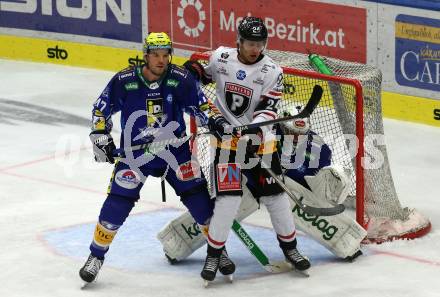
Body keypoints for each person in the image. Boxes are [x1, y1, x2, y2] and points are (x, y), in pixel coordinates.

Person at [79, 32, 236, 283]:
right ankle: (96, 255)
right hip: (135, 154)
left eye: (165, 55)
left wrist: (215, 120)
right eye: (156, 55)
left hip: (176, 151)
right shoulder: (125, 80)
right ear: (146, 56)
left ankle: (219, 252)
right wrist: (100, 134)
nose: (161, 60)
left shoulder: (181, 79)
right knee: (116, 204)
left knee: (200, 202)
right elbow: (101, 108)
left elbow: (202, 106)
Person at [184, 17, 310, 283]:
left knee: (275, 197)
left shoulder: (272, 71)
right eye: (251, 43)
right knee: (227, 200)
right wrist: (191, 70)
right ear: (238, 42)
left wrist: (254, 128)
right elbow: (203, 74)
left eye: (260, 43)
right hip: (226, 144)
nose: (256, 48)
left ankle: (291, 250)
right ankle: (214, 255)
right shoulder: (221, 58)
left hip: (261, 144)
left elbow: (268, 108)